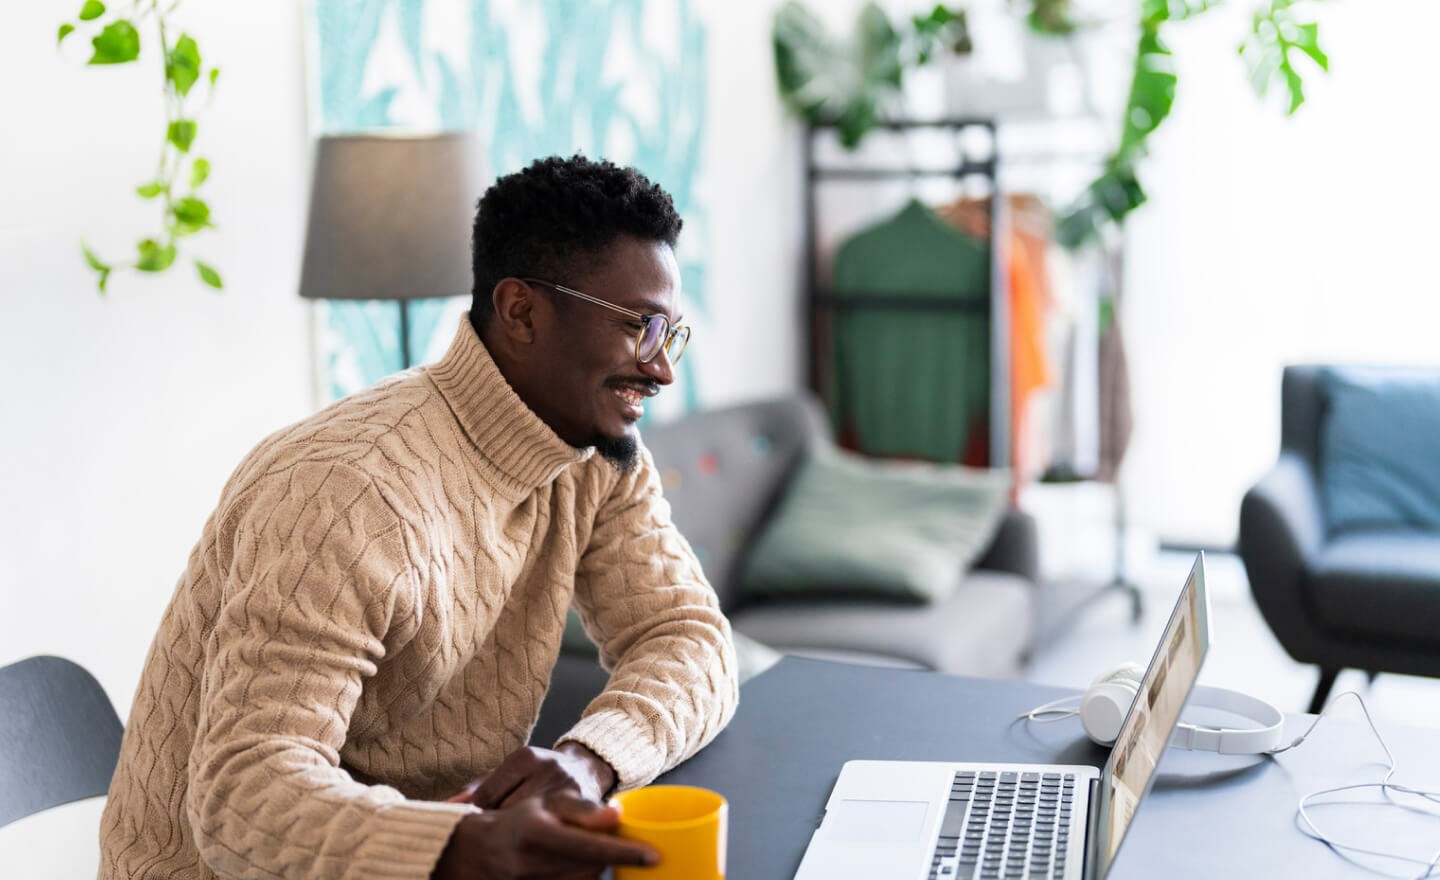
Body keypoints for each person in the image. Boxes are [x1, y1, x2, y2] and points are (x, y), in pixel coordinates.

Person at [99, 154, 740, 879]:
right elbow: (245, 794)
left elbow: (688, 637)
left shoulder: (595, 456)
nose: (661, 369)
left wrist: (591, 760)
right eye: (640, 328)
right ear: (521, 312)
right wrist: (459, 845)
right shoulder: (347, 491)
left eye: (670, 335)